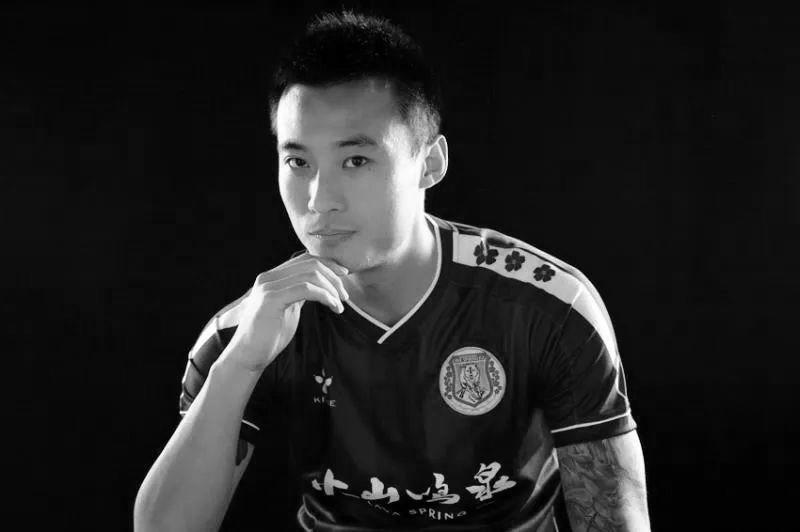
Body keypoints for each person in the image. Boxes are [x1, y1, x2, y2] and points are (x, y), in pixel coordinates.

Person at [134, 9, 651, 532]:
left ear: (430, 163)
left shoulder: (547, 307)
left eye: (356, 160)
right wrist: (241, 364)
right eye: (298, 163)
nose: (320, 200)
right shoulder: (246, 331)